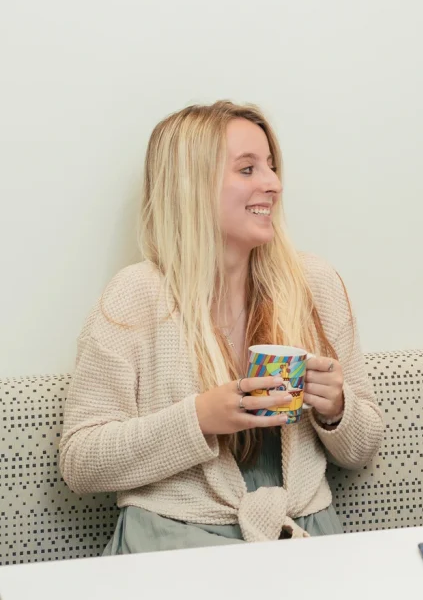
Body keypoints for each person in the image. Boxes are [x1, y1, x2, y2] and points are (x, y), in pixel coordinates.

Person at [59, 101, 384, 551]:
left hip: (301, 540)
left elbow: (363, 448)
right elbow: (80, 462)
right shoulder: (135, 295)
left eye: (271, 167)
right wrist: (200, 418)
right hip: (174, 543)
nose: (273, 184)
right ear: (191, 185)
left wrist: (337, 411)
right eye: (248, 169)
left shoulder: (316, 284)